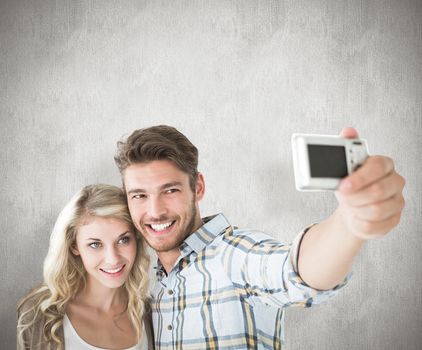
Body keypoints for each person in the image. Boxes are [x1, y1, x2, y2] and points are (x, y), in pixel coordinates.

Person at [114, 125, 405, 349]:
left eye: (170, 190)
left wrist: (350, 221)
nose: (155, 211)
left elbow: (295, 271)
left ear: (198, 187)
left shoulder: (235, 255)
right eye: (139, 195)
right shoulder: (150, 286)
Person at [17, 184, 153, 350]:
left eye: (123, 240)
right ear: (74, 246)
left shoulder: (151, 314)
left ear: (137, 239)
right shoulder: (38, 315)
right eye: (95, 244)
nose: (113, 259)